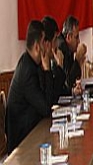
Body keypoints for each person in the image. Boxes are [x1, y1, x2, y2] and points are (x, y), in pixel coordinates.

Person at [6, 20, 55, 154]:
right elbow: (46, 108)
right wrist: (47, 70)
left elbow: (48, 99)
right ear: (37, 46)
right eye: (44, 42)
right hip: (22, 145)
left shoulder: (31, 63)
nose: (46, 46)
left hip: (32, 131)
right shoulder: (27, 70)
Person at [57, 16, 86, 93]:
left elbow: (76, 78)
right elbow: (68, 82)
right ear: (69, 37)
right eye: (76, 37)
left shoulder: (69, 47)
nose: (79, 41)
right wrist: (77, 59)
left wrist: (79, 61)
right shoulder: (62, 47)